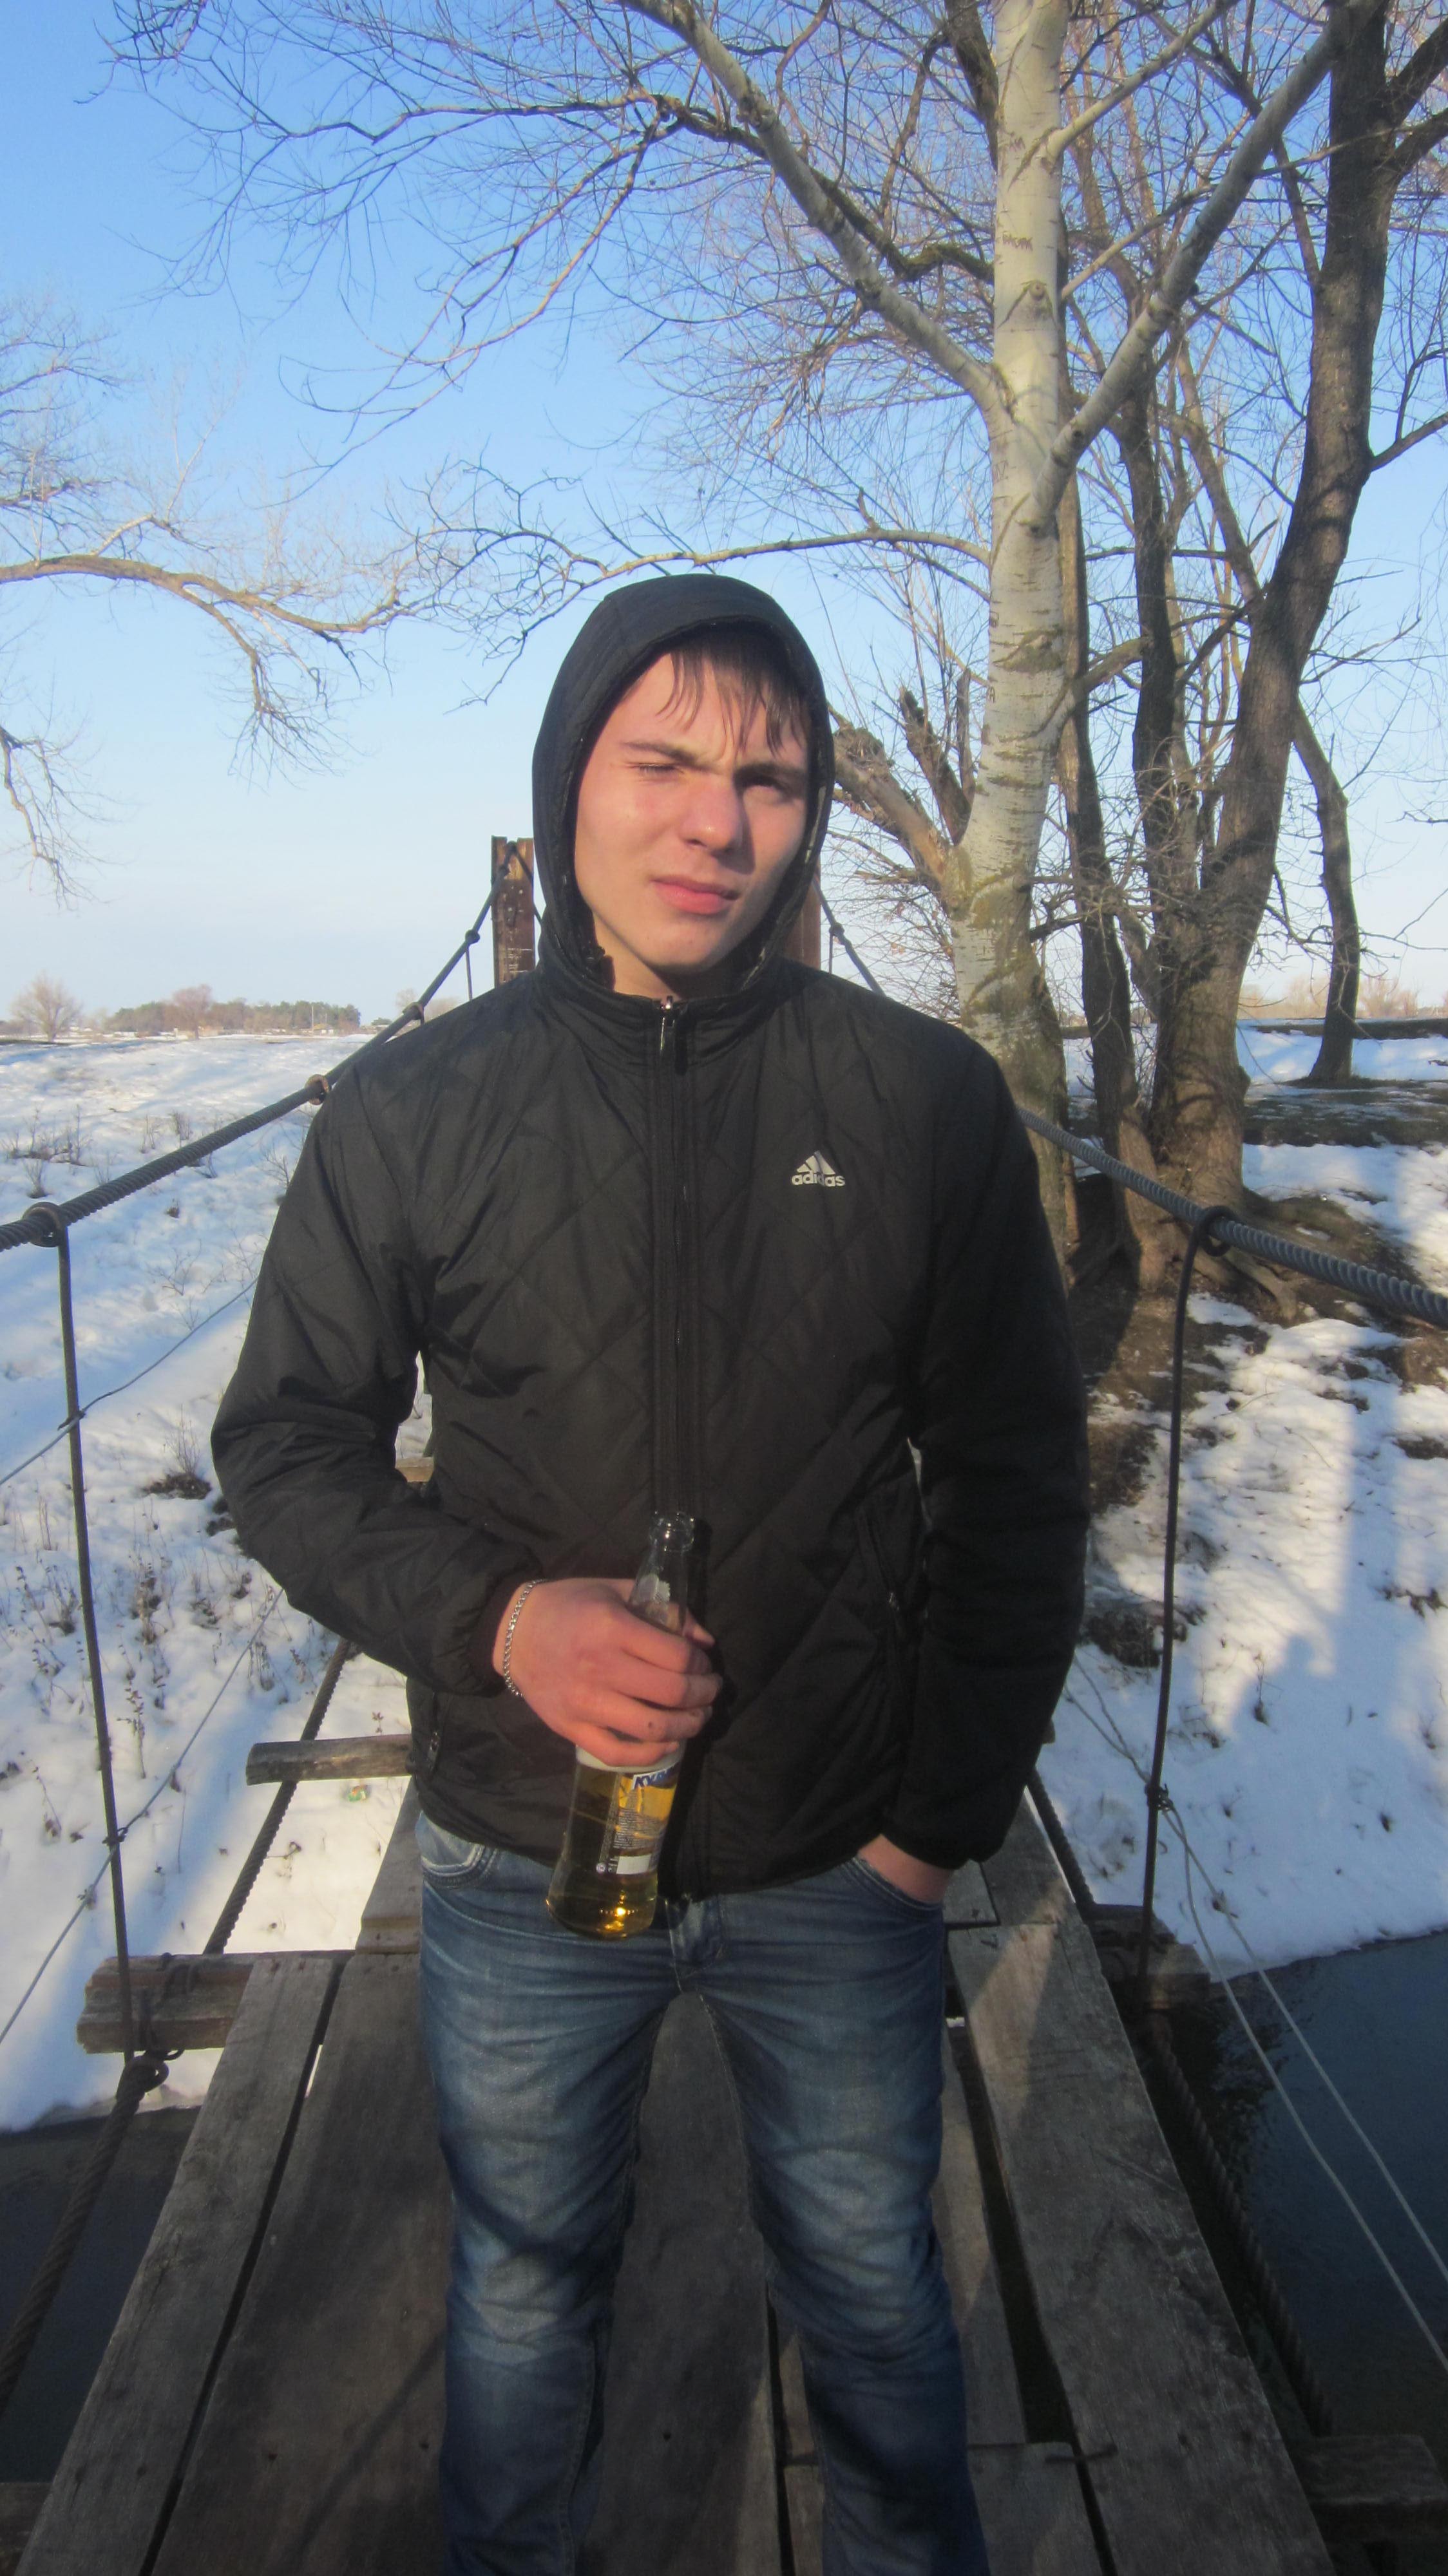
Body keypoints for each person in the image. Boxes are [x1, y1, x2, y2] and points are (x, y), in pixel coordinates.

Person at [212, 574, 1089, 2576]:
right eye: (663, 763)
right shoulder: (412, 1111)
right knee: (523, 2306)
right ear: (568, 787)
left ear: (813, 813)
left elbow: (1020, 1482)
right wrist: (498, 1623)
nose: (716, 822)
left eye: (770, 780)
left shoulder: (922, 1101)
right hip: (522, 1858)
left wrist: (932, 1833)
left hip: (836, 1853)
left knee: (878, 2308)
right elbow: (284, 1445)